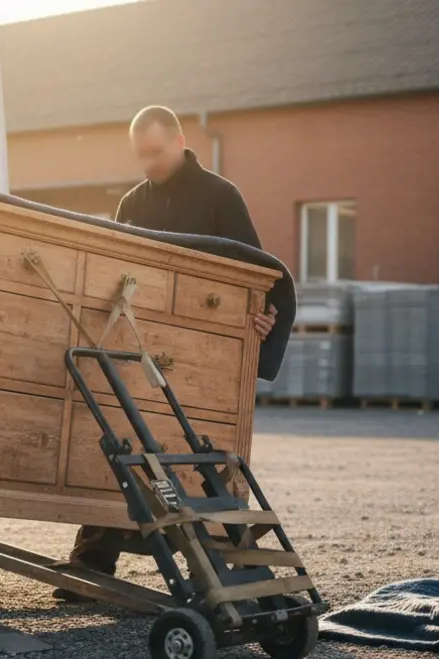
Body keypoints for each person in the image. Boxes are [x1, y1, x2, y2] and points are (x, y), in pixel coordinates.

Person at [56, 105, 278, 600]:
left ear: (180, 141)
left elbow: (256, 272)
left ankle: (235, 569)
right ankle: (92, 563)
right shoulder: (133, 202)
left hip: (205, 349)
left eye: (157, 152)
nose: (149, 163)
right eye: (142, 156)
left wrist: (267, 314)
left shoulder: (223, 197)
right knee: (126, 441)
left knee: (204, 451)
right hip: (143, 344)